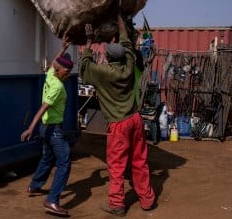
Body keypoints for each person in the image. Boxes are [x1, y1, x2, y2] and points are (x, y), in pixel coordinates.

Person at [79, 14, 156, 217]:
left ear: (109, 58)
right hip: (135, 120)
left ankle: (117, 204)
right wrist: (122, 23)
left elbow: (84, 67)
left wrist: (88, 41)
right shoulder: (129, 67)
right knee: (140, 161)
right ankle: (147, 200)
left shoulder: (102, 73)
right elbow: (128, 47)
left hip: (119, 125)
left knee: (116, 165)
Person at [21, 38, 74, 216]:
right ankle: (52, 201)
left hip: (46, 129)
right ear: (59, 71)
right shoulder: (57, 87)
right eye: (66, 72)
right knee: (64, 162)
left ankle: (34, 186)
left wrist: (63, 49)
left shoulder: (51, 74)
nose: (67, 75)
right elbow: (43, 106)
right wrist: (30, 128)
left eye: (69, 73)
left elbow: (53, 63)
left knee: (47, 158)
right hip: (53, 130)